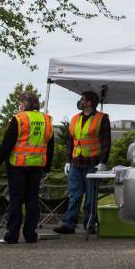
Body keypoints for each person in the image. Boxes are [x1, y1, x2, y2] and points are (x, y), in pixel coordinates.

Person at [0, 91, 54, 244]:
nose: (19, 105)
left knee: (16, 199)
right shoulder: (46, 120)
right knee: (32, 199)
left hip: (18, 165)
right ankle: (30, 235)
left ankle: (12, 235)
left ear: (24, 103)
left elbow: (7, 144)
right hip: (37, 165)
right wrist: (47, 168)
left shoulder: (19, 119)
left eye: (20, 102)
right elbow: (50, 146)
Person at [53, 91, 111, 235]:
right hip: (76, 163)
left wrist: (103, 162)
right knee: (74, 195)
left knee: (90, 198)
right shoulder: (74, 119)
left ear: (90, 102)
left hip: (93, 164)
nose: (80, 101)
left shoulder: (101, 118)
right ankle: (69, 224)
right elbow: (70, 142)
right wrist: (68, 161)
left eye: (82, 99)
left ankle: (89, 224)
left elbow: (106, 142)